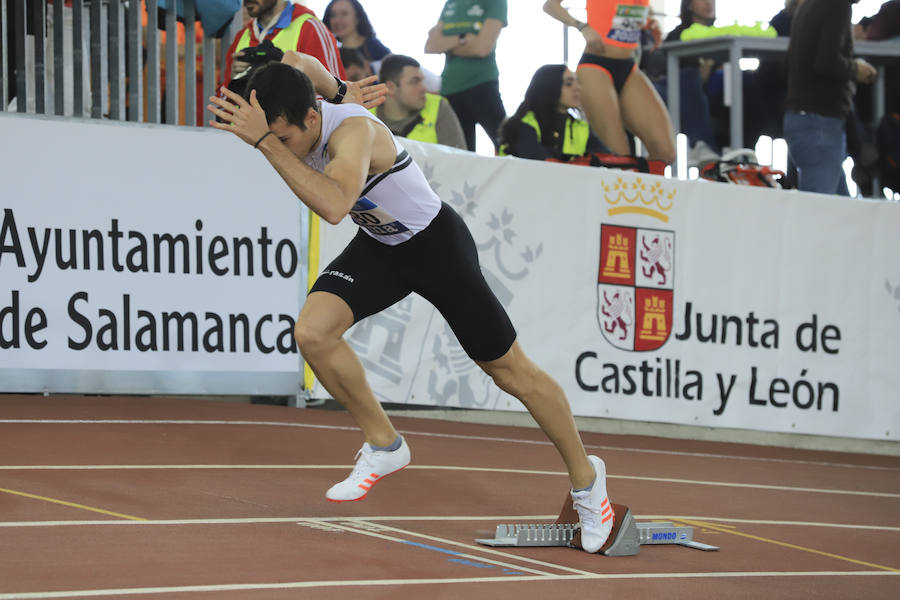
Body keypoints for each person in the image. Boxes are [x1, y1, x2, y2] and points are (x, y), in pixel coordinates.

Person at [207, 52, 617, 554]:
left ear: (311, 117)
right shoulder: (301, 91)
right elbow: (299, 61)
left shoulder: (352, 134)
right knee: (312, 331)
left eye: (288, 136)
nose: (282, 145)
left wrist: (269, 143)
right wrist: (336, 85)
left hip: (433, 246)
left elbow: (335, 205)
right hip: (382, 246)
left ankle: (586, 479)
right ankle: (385, 444)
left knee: (509, 371)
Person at [543, 0, 675, 163]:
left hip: (628, 66)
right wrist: (583, 27)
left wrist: (648, 22)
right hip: (596, 65)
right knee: (619, 158)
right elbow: (550, 5)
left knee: (666, 153)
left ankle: (645, 185)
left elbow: (618, 12)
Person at [784, 0, 877, 195]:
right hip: (819, 123)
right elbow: (827, 62)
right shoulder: (837, 4)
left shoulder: (812, 4)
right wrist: (856, 69)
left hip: (808, 120)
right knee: (820, 213)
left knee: (837, 213)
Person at [424, 0, 508, 153]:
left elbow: (482, 49)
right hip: (450, 89)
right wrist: (462, 39)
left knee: (507, 144)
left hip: (482, 84)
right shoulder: (452, 2)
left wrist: (448, 46)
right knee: (459, 154)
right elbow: (431, 46)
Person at [221, 0, 344, 93]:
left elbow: (336, 97)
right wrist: (233, 82)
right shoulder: (241, 37)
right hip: (242, 126)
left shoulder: (311, 29)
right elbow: (221, 106)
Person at [498, 64, 608, 161]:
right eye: (569, 84)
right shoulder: (524, 124)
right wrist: (581, 160)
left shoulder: (581, 127)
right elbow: (537, 159)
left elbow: (607, 159)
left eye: (578, 82)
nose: (578, 88)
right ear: (549, 87)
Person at [372, 54, 467, 150]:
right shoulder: (366, 116)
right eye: (415, 82)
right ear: (391, 87)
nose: (424, 89)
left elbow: (458, 159)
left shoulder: (437, 106)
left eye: (422, 81)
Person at [323, 0, 391, 75]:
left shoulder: (374, 46)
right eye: (333, 15)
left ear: (357, 18)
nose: (338, 20)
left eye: (344, 14)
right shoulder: (330, 53)